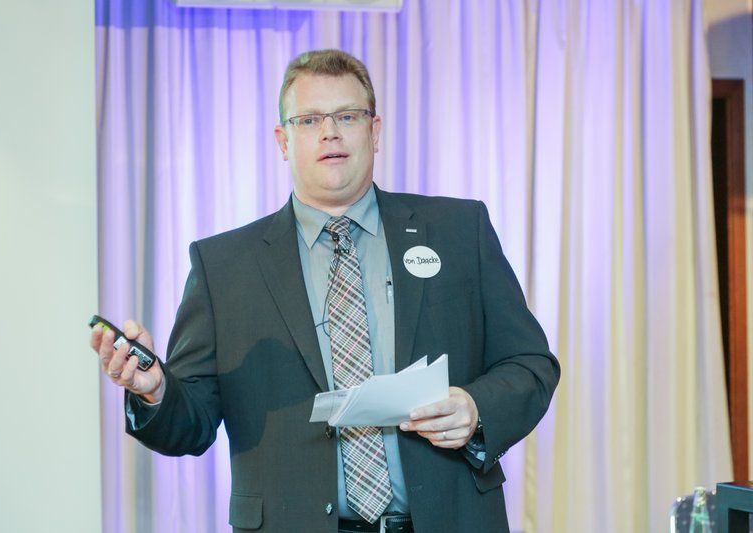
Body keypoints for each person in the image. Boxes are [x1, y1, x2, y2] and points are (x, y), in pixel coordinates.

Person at [91, 49, 560, 533]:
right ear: (283, 140)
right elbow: (190, 424)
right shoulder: (223, 266)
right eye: (310, 119)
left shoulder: (459, 230)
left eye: (347, 116)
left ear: (374, 131)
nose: (330, 132)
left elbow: (530, 364)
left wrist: (477, 409)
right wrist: (156, 391)